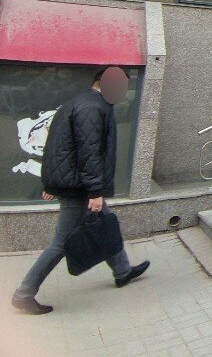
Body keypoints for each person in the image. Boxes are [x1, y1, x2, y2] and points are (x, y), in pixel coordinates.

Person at [11, 67, 149, 315]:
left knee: (107, 223)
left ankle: (122, 271)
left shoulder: (78, 102)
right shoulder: (92, 108)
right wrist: (95, 192)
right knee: (61, 242)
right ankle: (24, 294)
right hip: (80, 188)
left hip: (76, 183)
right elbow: (89, 152)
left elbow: (55, 146)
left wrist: (51, 183)